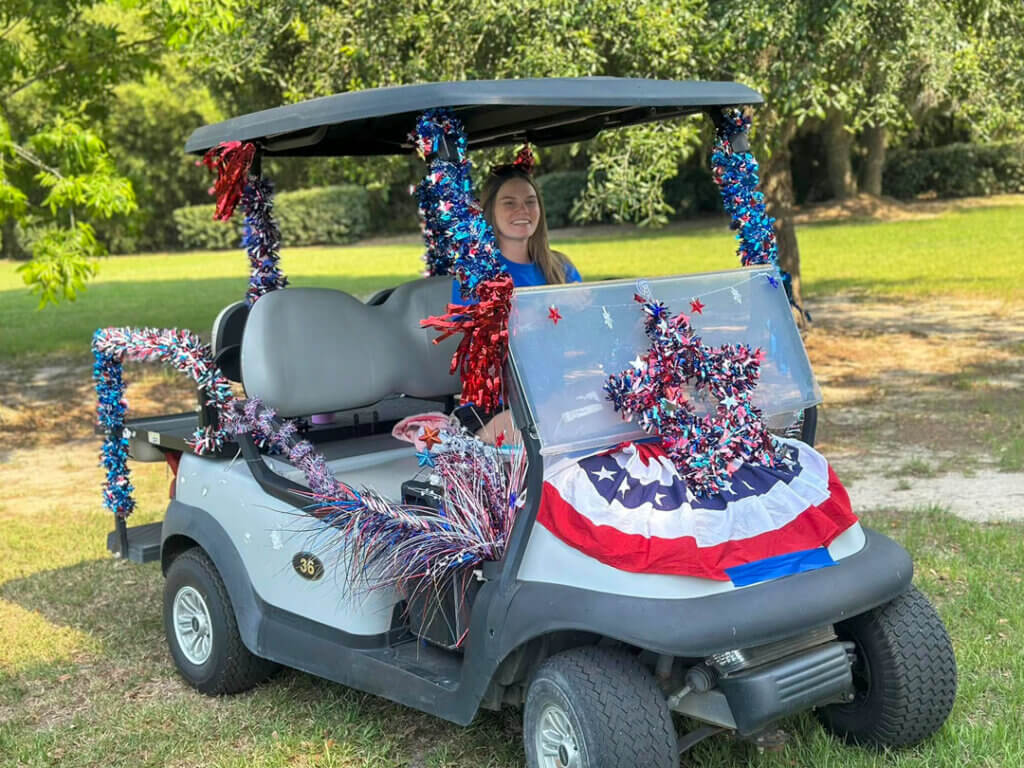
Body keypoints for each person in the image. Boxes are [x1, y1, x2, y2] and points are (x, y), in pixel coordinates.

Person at [451, 161, 582, 443]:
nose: (523, 211)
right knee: (547, 433)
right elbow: (481, 349)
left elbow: (582, 337)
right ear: (490, 212)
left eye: (530, 202)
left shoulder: (561, 268)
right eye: (509, 203)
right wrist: (550, 309)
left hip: (561, 397)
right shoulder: (475, 274)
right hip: (499, 406)